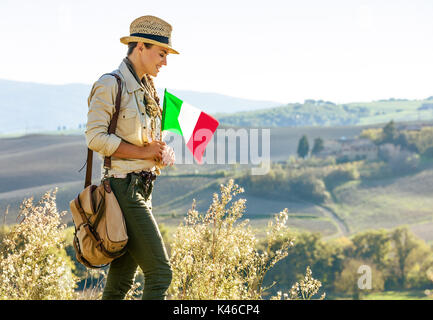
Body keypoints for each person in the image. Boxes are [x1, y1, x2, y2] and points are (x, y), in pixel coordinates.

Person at [85, 15, 178, 300]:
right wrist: (143, 152)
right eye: (161, 53)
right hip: (123, 191)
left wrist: (162, 153)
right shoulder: (110, 84)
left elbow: (148, 145)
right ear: (140, 47)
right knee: (161, 273)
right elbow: (95, 138)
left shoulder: (149, 91)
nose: (165, 61)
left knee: (120, 284)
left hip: (142, 189)